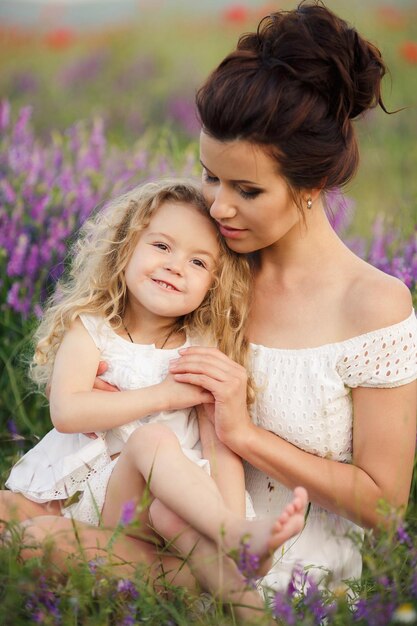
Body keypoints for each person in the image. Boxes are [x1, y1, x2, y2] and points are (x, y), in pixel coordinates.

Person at [161, 0, 417, 592]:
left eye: (246, 190)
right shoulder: (201, 265)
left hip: (297, 576)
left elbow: (387, 506)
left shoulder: (373, 305)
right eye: (210, 176)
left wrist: (245, 434)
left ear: (313, 185)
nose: (218, 206)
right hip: (176, 527)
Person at [2, 178, 308, 620]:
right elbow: (67, 412)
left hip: (176, 512)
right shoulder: (90, 328)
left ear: (214, 285)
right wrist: (162, 394)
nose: (175, 266)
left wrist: (227, 516)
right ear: (125, 247)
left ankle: (237, 552)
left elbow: (220, 447)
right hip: (109, 507)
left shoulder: (201, 350)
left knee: (154, 454)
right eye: (162, 246)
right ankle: (200, 580)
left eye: (198, 261)